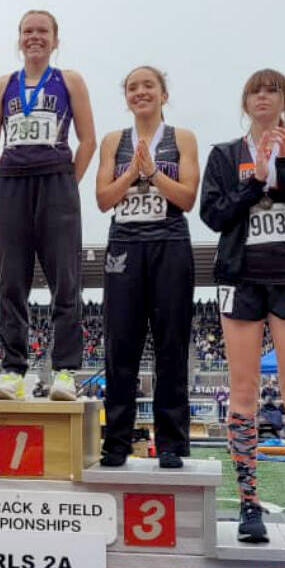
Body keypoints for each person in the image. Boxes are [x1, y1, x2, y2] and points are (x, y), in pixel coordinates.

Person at [200, 69, 285, 545]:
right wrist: (254, 182)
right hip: (240, 280)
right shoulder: (224, 155)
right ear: (245, 100)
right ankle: (249, 503)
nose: (263, 97)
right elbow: (213, 215)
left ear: (284, 101)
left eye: (272, 90)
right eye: (255, 90)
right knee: (243, 393)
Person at [0, 9, 96, 401]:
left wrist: (67, 182)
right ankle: (13, 371)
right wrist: (9, 179)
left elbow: (88, 141)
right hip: (12, 184)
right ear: (19, 38)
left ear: (55, 39)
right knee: (11, 280)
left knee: (66, 279)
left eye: (42, 31)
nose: (35, 37)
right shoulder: (2, 86)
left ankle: (65, 370)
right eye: (28, 31)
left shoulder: (70, 81)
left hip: (57, 182)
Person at [96, 66, 199, 468]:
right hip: (125, 242)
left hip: (170, 240)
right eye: (133, 87)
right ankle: (117, 441)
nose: (141, 92)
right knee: (120, 345)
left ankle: (171, 442)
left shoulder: (183, 139)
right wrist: (131, 173)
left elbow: (188, 197)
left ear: (163, 94)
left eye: (148, 86)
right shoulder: (113, 141)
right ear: (126, 97)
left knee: (171, 346)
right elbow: (104, 199)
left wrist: (153, 172)